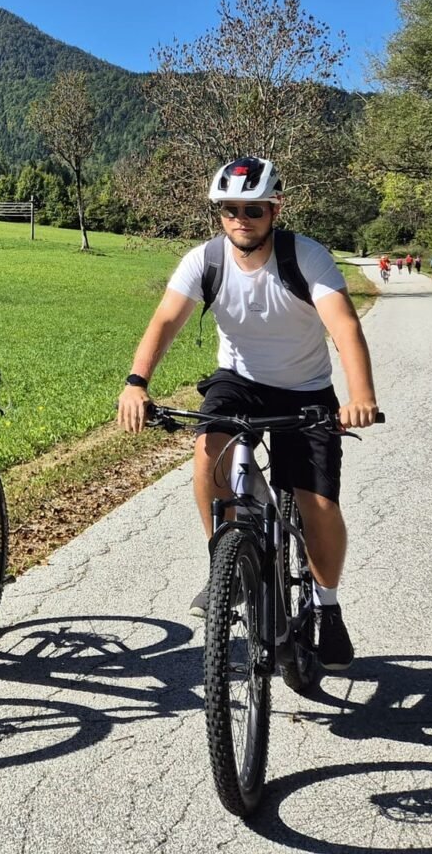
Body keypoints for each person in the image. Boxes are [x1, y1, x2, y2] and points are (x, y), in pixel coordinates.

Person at [116, 156, 381, 671]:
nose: (241, 219)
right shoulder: (206, 260)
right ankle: (227, 564)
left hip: (305, 389)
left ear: (274, 210)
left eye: (253, 209)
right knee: (207, 448)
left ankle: (326, 606)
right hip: (238, 382)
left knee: (318, 504)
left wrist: (360, 395)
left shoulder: (306, 258)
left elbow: (345, 327)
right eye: (229, 209)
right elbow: (166, 319)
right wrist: (136, 383)